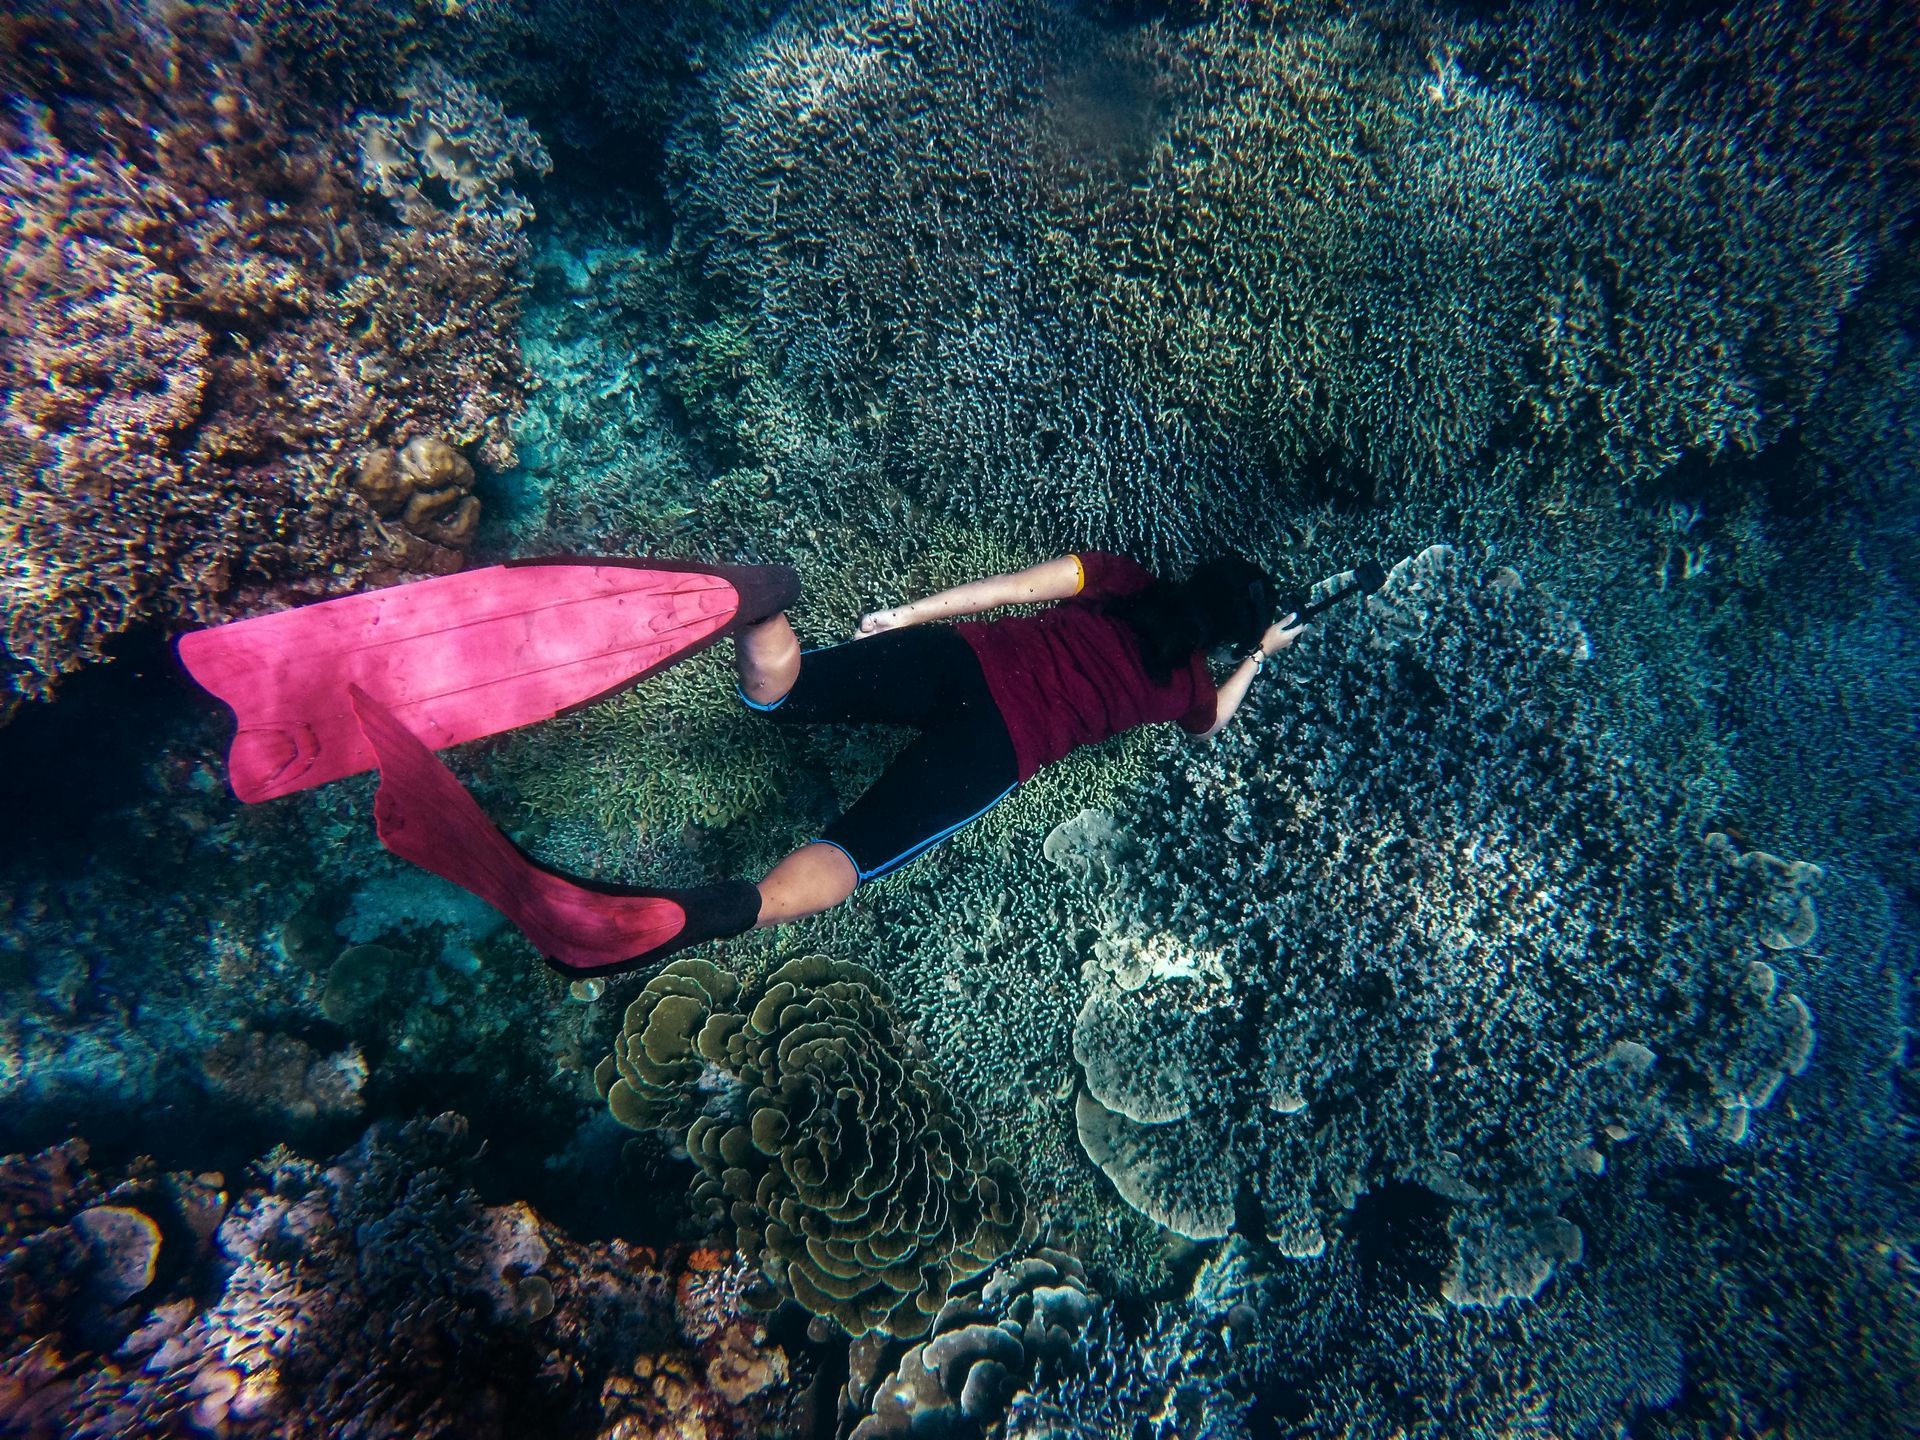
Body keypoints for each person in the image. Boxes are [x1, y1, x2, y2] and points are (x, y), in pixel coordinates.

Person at [730, 549, 1304, 934]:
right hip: (998, 746)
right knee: (855, 853)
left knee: (787, 690)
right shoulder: (1189, 688)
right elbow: (1213, 724)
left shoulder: (1121, 575)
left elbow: (1009, 589)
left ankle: (758, 607)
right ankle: (743, 908)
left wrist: (905, 615)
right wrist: (1258, 654)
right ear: (1224, 639)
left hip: (958, 658)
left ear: (1195, 574)